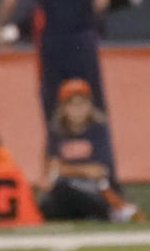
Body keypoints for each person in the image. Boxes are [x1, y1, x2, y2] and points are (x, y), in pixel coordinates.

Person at [38, 79, 143, 222]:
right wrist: (81, 170)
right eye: (71, 104)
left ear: (89, 105)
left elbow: (99, 170)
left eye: (81, 103)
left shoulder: (98, 130)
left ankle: (109, 211)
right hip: (65, 188)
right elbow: (50, 170)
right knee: (49, 200)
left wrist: (65, 169)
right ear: (63, 107)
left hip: (93, 189)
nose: (77, 109)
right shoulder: (56, 132)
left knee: (75, 191)